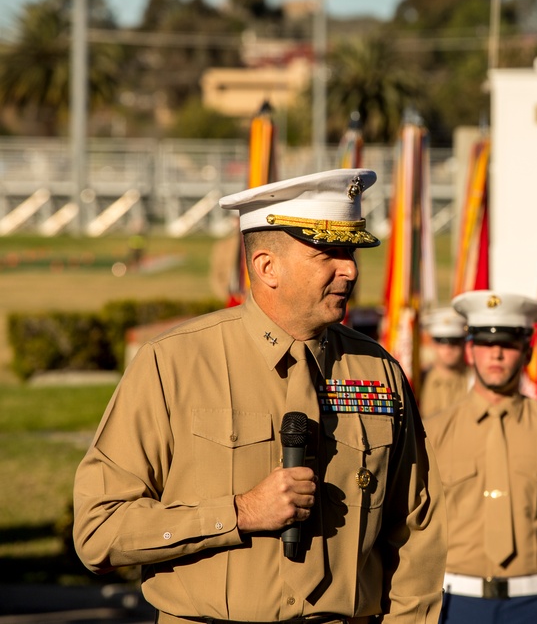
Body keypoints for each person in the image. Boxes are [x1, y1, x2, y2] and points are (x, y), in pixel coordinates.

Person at [73, 169, 447, 624]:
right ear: (266, 266)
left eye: (350, 252)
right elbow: (98, 530)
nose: (349, 269)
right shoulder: (173, 364)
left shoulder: (378, 371)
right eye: (328, 253)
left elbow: (415, 531)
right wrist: (239, 512)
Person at [424, 290, 537, 624]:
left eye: (509, 344)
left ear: (527, 352)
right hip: (455, 604)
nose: (496, 353)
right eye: (484, 343)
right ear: (470, 351)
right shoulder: (432, 434)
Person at [419, 307, 471, 417]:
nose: (448, 348)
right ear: (432, 343)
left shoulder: (475, 379)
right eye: (441, 342)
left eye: (454, 342)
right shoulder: (419, 379)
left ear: (463, 344)